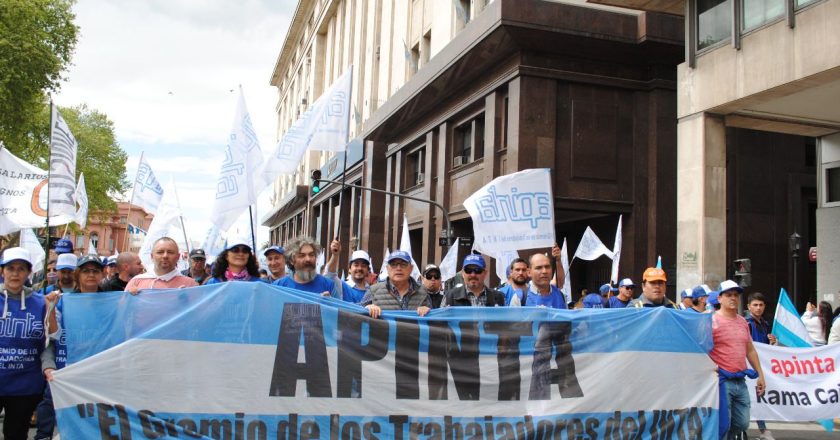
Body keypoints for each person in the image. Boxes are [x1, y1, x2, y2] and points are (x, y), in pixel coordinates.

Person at [37, 255, 108, 440]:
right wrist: (51, 309)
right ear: (78, 274)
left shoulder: (112, 301)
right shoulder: (64, 301)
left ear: (102, 274)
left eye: (95, 271)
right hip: (67, 368)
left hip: (97, 371)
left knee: (92, 416)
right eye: (86, 271)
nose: (91, 275)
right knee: (56, 407)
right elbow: (55, 334)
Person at [0, 247, 49, 440]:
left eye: (21, 268)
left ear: (29, 273)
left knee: (16, 435)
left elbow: (48, 343)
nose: (15, 273)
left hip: (25, 385)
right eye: (10, 268)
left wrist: (48, 367)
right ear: (2, 271)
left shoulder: (40, 303)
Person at [709, 279, 766, 440]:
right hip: (721, 381)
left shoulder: (742, 322)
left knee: (742, 423)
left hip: (740, 380)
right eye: (728, 295)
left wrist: (760, 374)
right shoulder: (711, 321)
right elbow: (703, 350)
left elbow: (750, 350)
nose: (733, 298)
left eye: (736, 295)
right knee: (723, 424)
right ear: (720, 298)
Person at [744, 291, 777, 440]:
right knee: (752, 397)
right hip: (749, 366)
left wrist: (771, 341)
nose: (758, 308)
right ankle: (759, 430)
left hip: (760, 365)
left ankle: (762, 429)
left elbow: (763, 346)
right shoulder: (747, 324)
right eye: (755, 305)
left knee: (758, 397)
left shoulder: (764, 324)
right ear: (749, 307)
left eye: (761, 305)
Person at [361, 250, 430, 318]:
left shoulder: (423, 291)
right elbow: (357, 313)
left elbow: (434, 322)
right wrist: (367, 308)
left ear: (411, 268)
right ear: (387, 269)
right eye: (393, 265)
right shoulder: (374, 290)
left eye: (403, 264)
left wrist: (428, 311)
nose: (398, 268)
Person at [126, 238, 201, 291]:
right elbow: (122, 310)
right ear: (152, 256)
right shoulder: (136, 282)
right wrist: (131, 299)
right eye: (160, 252)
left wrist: (187, 300)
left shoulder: (191, 285)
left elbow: (199, 311)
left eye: (170, 252)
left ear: (178, 257)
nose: (165, 256)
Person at [273, 236, 339, 297]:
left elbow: (341, 309)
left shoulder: (329, 286)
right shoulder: (278, 287)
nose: (308, 259)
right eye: (302, 255)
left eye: (311, 255)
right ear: (291, 261)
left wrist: (329, 305)